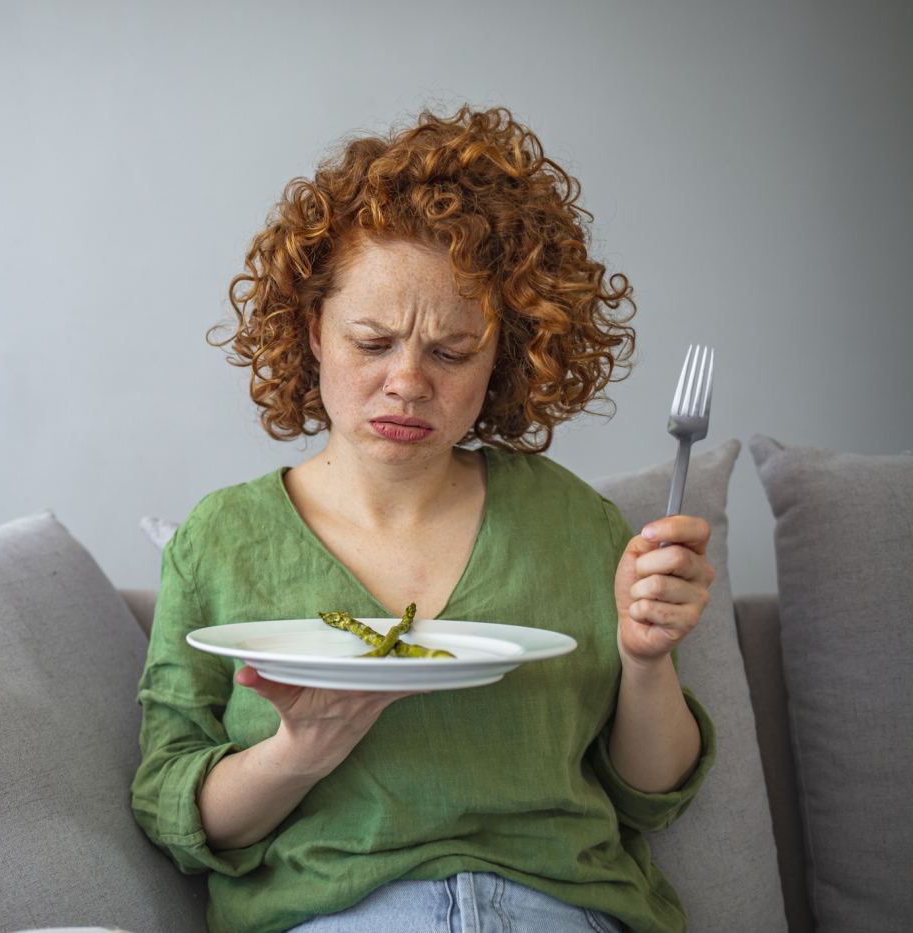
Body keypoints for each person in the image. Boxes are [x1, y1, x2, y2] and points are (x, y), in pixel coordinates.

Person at [131, 105, 716, 933]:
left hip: (560, 908)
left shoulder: (577, 524)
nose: (407, 382)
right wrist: (301, 751)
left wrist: (645, 660)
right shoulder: (221, 541)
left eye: (450, 351)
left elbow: (651, 797)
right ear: (313, 332)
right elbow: (178, 814)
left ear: (502, 356)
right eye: (373, 342)